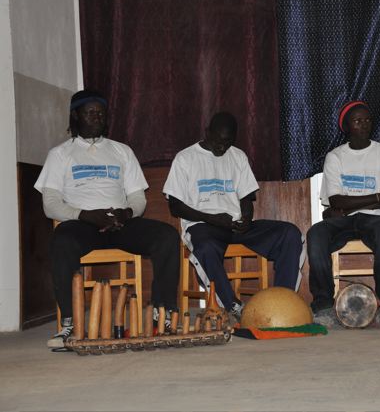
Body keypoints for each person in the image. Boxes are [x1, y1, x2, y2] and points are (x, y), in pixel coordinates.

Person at [35, 90, 181, 349]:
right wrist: (84, 215)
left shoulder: (121, 151)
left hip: (120, 223)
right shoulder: (60, 154)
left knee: (167, 236)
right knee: (61, 241)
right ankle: (70, 324)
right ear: (75, 116)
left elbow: (138, 199)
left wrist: (128, 213)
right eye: (90, 113)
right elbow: (51, 205)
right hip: (82, 224)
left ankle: (163, 314)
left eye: (101, 113)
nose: (97, 118)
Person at [163, 112, 304, 320]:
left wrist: (246, 219)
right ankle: (233, 306)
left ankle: (283, 301)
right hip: (202, 225)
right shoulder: (185, 158)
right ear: (207, 132)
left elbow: (246, 199)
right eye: (218, 141)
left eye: (227, 142)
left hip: (234, 225)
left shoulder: (238, 156)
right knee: (205, 248)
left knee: (290, 233)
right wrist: (211, 218)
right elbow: (175, 207)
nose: (222, 147)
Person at [308, 100, 380, 327]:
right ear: (347, 126)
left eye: (368, 120)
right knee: (316, 233)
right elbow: (335, 201)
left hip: (377, 218)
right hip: (344, 221)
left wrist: (348, 205)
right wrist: (377, 197)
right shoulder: (335, 157)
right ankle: (323, 305)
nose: (364, 124)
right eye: (358, 121)